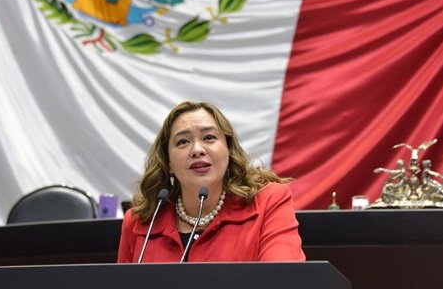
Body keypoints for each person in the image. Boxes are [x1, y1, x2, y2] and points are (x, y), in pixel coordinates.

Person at [117, 101, 305, 263]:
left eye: (209, 137)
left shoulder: (268, 202)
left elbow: (282, 279)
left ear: (229, 151)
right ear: (168, 163)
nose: (197, 150)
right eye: (183, 142)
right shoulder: (139, 221)